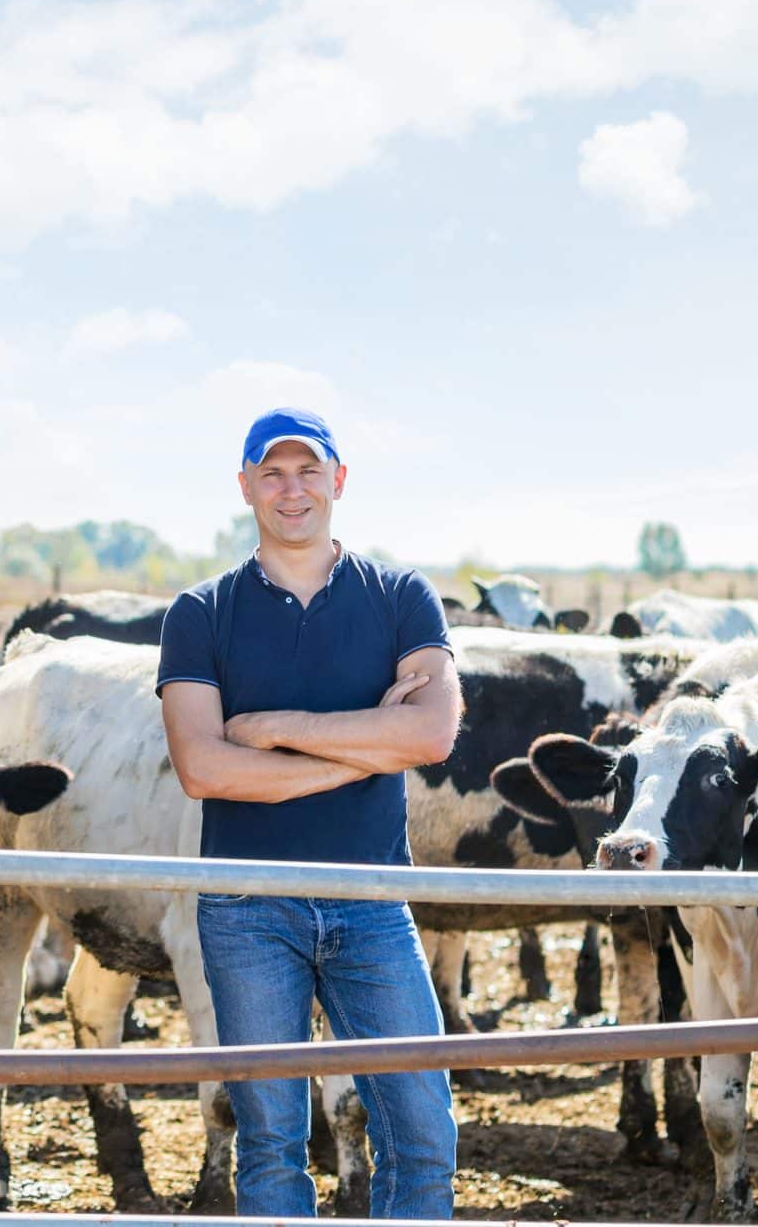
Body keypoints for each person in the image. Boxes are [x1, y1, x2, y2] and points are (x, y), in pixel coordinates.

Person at [156, 406, 462, 1218]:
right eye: (273, 473)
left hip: (370, 900)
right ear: (246, 486)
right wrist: (364, 749)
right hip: (247, 905)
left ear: (340, 478)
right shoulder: (200, 611)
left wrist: (280, 735)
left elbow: (431, 734)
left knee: (424, 1136)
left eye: (308, 470)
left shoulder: (400, 595)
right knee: (270, 1144)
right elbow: (201, 767)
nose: (293, 490)